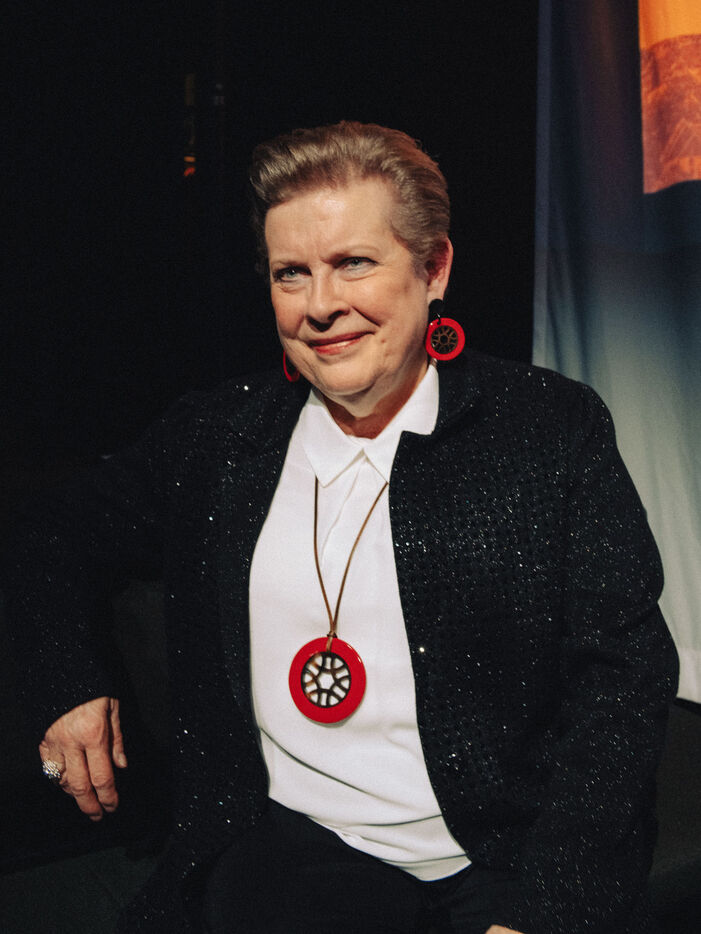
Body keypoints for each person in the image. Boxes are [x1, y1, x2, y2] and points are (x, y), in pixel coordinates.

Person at [2, 122, 678, 934]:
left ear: (434, 269)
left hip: (504, 855)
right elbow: (50, 534)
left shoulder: (545, 427)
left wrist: (547, 910)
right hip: (292, 856)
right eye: (291, 273)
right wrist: (67, 684)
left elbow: (622, 682)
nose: (320, 305)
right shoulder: (218, 438)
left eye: (353, 262)